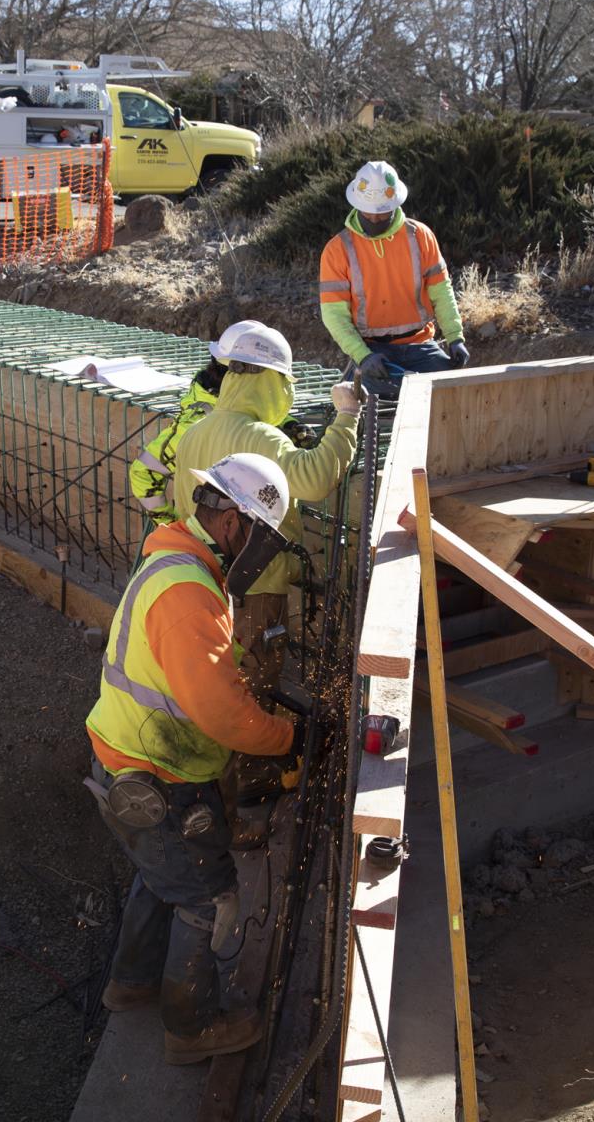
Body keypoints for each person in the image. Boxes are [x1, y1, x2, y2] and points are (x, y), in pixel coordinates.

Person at [85, 453, 302, 1065]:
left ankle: (132, 984)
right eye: (262, 534)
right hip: (160, 777)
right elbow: (222, 716)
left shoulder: (178, 564)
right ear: (234, 520)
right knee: (208, 899)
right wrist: (287, 738)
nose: (264, 552)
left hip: (130, 763)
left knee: (162, 880)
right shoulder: (186, 593)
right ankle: (192, 1028)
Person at [170, 324, 358, 697]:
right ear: (273, 381)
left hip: (197, 580)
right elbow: (316, 477)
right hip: (253, 591)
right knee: (249, 691)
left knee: (207, 685)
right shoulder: (261, 437)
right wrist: (347, 415)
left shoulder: (196, 432)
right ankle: (252, 752)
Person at [128, 320, 319, 524]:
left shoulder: (235, 405)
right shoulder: (198, 423)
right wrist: (168, 525)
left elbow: (253, 409)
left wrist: (287, 424)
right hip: (207, 539)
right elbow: (143, 472)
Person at [317, 159, 472, 398]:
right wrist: (363, 356)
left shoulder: (420, 236)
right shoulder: (337, 250)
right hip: (372, 349)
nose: (375, 220)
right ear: (357, 206)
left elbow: (442, 291)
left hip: (420, 344)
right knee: (361, 401)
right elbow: (334, 315)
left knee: (452, 394)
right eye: (369, 214)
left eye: (382, 214)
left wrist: (454, 337)